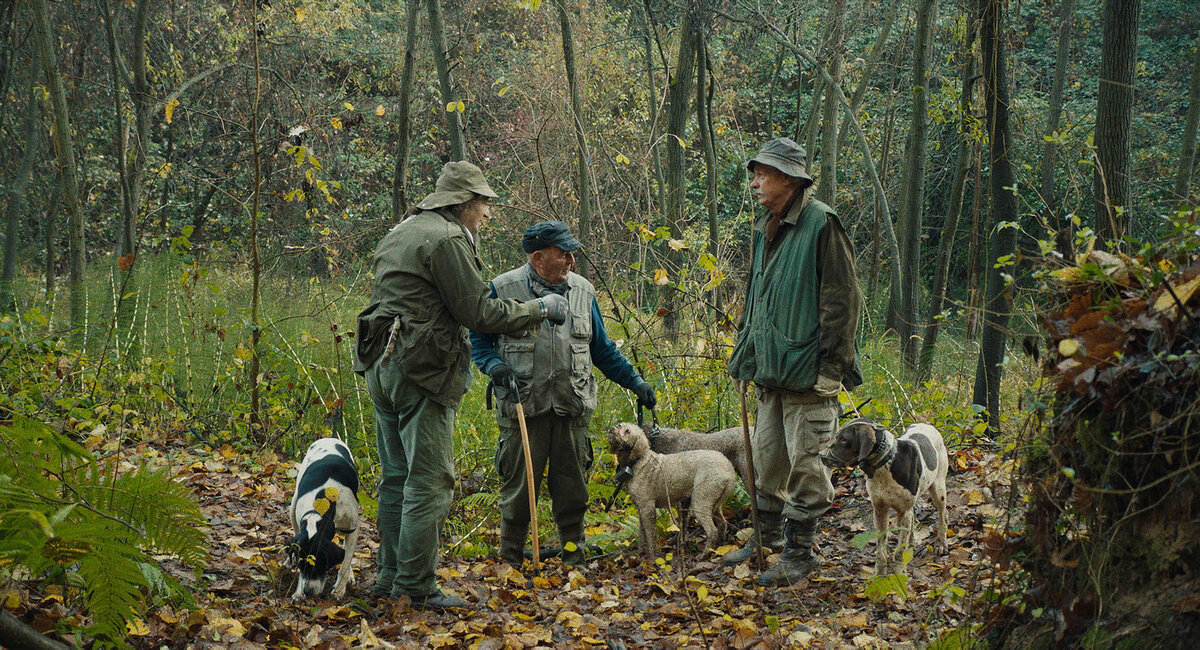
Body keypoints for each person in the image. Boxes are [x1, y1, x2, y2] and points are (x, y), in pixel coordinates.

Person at [353, 161, 569, 610]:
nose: (488, 213)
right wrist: (541, 309)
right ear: (462, 202)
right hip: (421, 370)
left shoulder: (403, 229)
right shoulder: (448, 238)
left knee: (396, 478)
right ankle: (415, 587)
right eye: (484, 203)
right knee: (430, 481)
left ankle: (389, 579)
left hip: (381, 364)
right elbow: (479, 313)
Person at [470, 221, 657, 568]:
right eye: (563, 254)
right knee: (518, 492)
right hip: (523, 408)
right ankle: (511, 563)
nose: (572, 260)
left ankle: (575, 561)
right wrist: (494, 366)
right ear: (538, 258)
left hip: (571, 409)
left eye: (572, 253)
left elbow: (602, 350)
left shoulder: (583, 291)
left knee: (573, 493)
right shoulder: (503, 288)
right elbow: (478, 341)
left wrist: (635, 382)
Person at [723, 138, 863, 586]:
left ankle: (801, 554)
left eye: (762, 174)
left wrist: (831, 368)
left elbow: (843, 301)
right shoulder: (765, 226)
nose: (755, 183)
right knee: (767, 461)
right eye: (755, 175)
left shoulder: (822, 223)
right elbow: (755, 299)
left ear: (788, 179)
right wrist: (745, 357)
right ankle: (766, 537)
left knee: (808, 465)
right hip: (771, 371)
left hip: (808, 374)